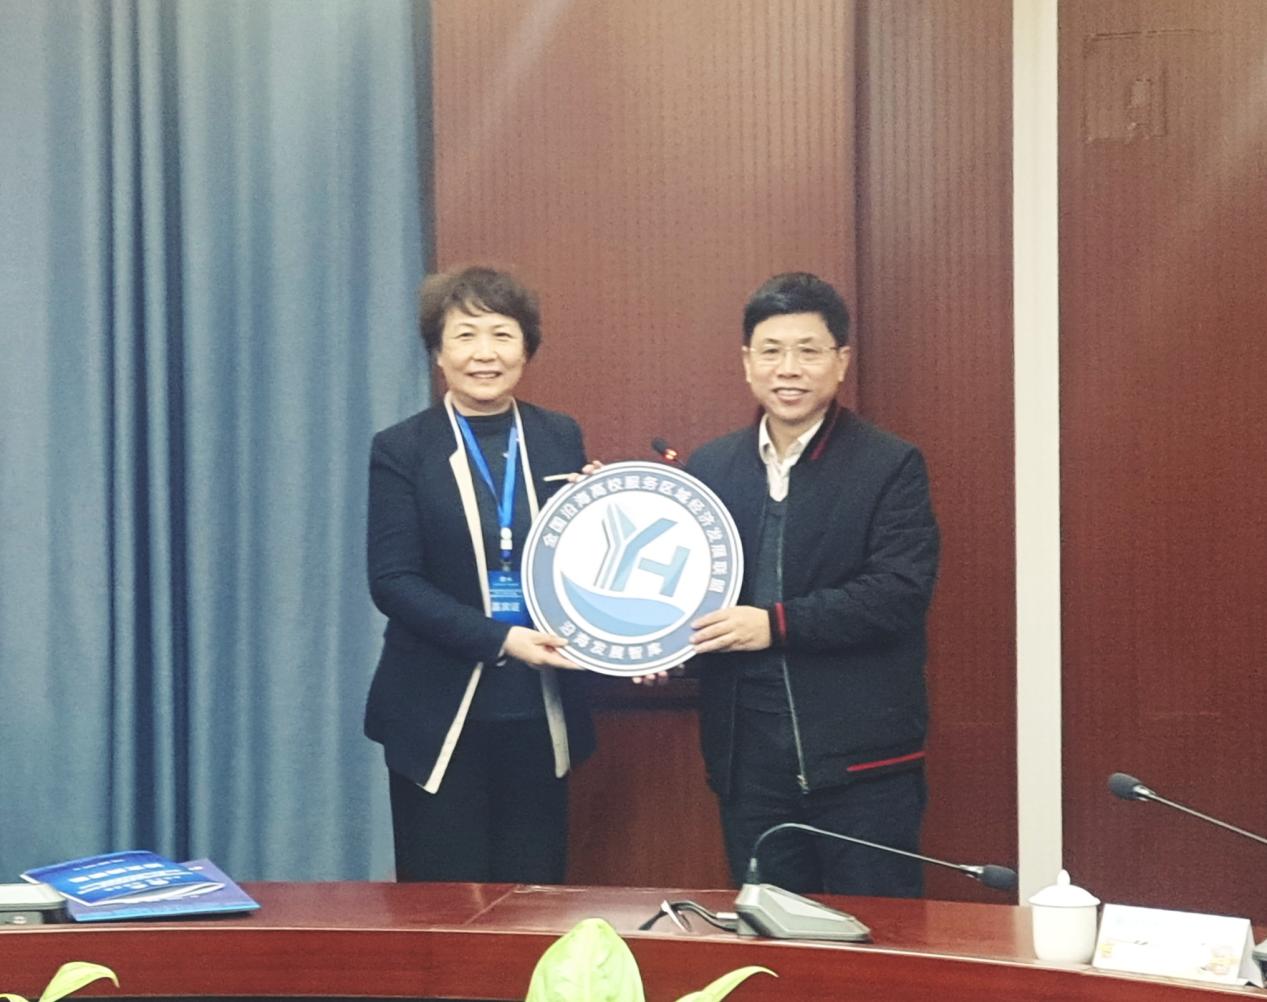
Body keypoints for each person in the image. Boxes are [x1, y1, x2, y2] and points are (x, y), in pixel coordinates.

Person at [685, 272, 939, 897]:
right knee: (771, 937)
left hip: (864, 768)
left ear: (841, 361)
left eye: (808, 350)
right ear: (747, 362)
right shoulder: (710, 468)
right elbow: (687, 595)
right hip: (749, 766)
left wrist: (774, 625)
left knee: (879, 937)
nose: (788, 369)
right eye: (771, 351)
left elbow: (898, 593)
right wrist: (652, 645)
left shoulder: (890, 464)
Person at [364, 265, 594, 883]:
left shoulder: (558, 436)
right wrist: (502, 638)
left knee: (533, 900)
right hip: (437, 713)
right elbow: (393, 581)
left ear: (526, 348)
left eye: (502, 334)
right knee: (445, 906)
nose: (484, 353)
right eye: (465, 335)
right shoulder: (402, 448)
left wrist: (602, 510)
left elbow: (578, 561)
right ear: (439, 353)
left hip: (540, 710)